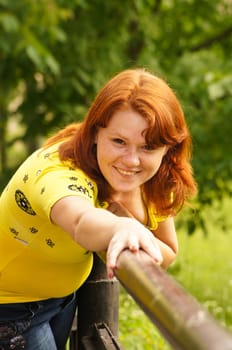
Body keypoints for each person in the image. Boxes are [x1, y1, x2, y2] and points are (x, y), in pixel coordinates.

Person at [0, 68, 197, 349]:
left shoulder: (151, 176)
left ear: (169, 148)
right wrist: (121, 225)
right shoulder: (58, 172)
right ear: (94, 133)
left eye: (149, 147)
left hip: (61, 300)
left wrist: (126, 204)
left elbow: (166, 251)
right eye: (119, 141)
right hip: (9, 308)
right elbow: (81, 221)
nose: (132, 160)